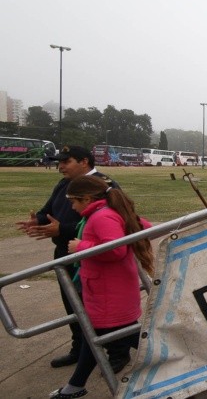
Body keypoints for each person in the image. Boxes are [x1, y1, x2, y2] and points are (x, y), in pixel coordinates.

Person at [14, 145, 126, 371]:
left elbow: (107, 224)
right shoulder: (65, 184)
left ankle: (117, 353)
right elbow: (48, 211)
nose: (61, 166)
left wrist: (62, 230)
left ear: (84, 161)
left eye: (66, 161)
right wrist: (39, 220)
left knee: (101, 306)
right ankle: (80, 348)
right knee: (73, 305)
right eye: (59, 162)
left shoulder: (104, 185)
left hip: (91, 255)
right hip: (65, 253)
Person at [49, 175, 154, 399]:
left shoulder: (102, 217)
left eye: (73, 201)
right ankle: (75, 386)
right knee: (97, 337)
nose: (72, 207)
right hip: (108, 291)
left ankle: (184, 359)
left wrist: (81, 246)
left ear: (86, 199)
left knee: (127, 337)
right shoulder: (108, 212)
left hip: (109, 293)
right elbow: (141, 226)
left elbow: (115, 250)